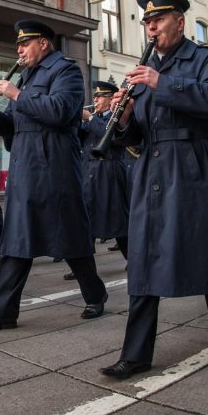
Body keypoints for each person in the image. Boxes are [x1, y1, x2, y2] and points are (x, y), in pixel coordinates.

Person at [99, 0, 208, 380]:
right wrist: (123, 120)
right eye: (147, 22)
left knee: (202, 242)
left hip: (193, 166)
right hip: (152, 171)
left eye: (159, 20)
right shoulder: (143, 71)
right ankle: (136, 353)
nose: (152, 27)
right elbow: (137, 135)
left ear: (180, 22)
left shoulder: (206, 58)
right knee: (142, 256)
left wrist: (161, 82)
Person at [0, 21, 107, 332]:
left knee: (70, 237)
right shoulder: (29, 76)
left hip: (55, 169)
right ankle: (2, 312)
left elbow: (60, 111)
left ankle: (95, 294)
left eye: (24, 44)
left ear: (43, 43)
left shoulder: (65, 71)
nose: (18, 50)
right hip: (26, 168)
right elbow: (17, 125)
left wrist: (15, 94)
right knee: (17, 240)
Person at [67, 80, 129, 281]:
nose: (95, 99)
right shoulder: (92, 120)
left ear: (111, 99)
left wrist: (90, 118)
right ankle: (83, 267)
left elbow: (109, 135)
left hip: (109, 171)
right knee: (85, 222)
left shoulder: (115, 116)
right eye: (95, 96)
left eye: (100, 96)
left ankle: (134, 259)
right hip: (88, 171)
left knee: (118, 221)